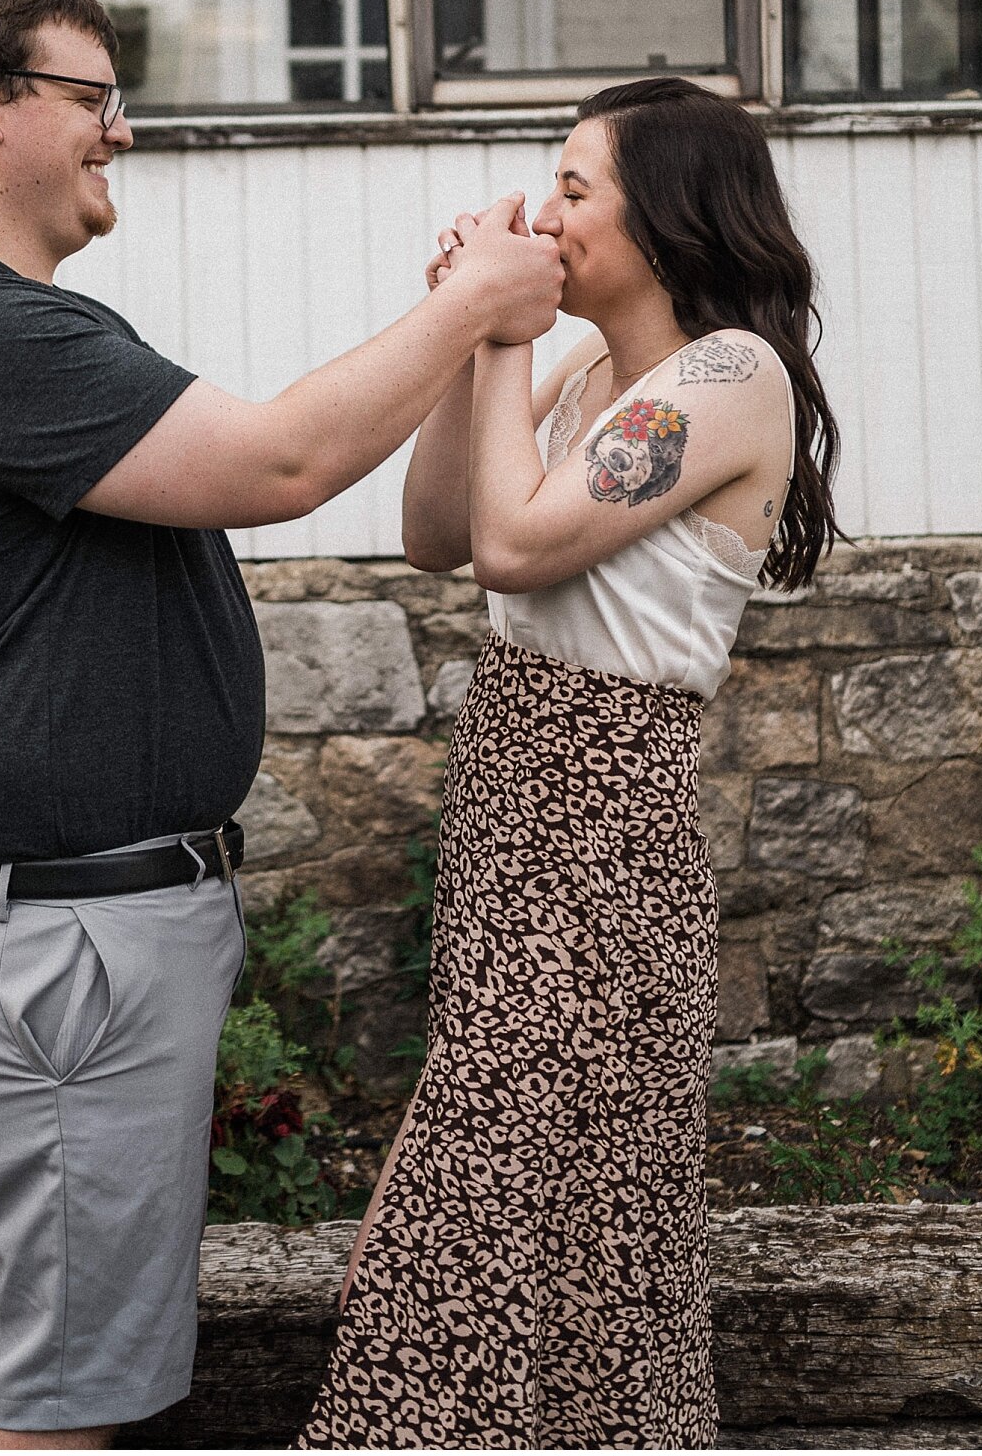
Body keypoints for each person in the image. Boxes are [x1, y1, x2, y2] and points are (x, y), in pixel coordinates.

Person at [0, 0, 564, 1452]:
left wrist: (456, 326)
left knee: (76, 1372)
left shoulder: (13, 327)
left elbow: (301, 458)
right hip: (56, 947)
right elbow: (282, 465)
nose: (122, 133)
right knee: (53, 1403)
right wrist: (477, 305)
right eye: (94, 100)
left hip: (70, 934)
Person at [300, 77, 841, 1453]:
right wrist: (478, 336)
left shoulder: (726, 377)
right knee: (496, 1208)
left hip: (601, 833)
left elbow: (521, 548)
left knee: (541, 1229)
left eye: (576, 187)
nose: (545, 210)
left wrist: (491, 336)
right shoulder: (590, 376)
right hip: (513, 814)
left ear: (664, 218)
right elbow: (437, 532)